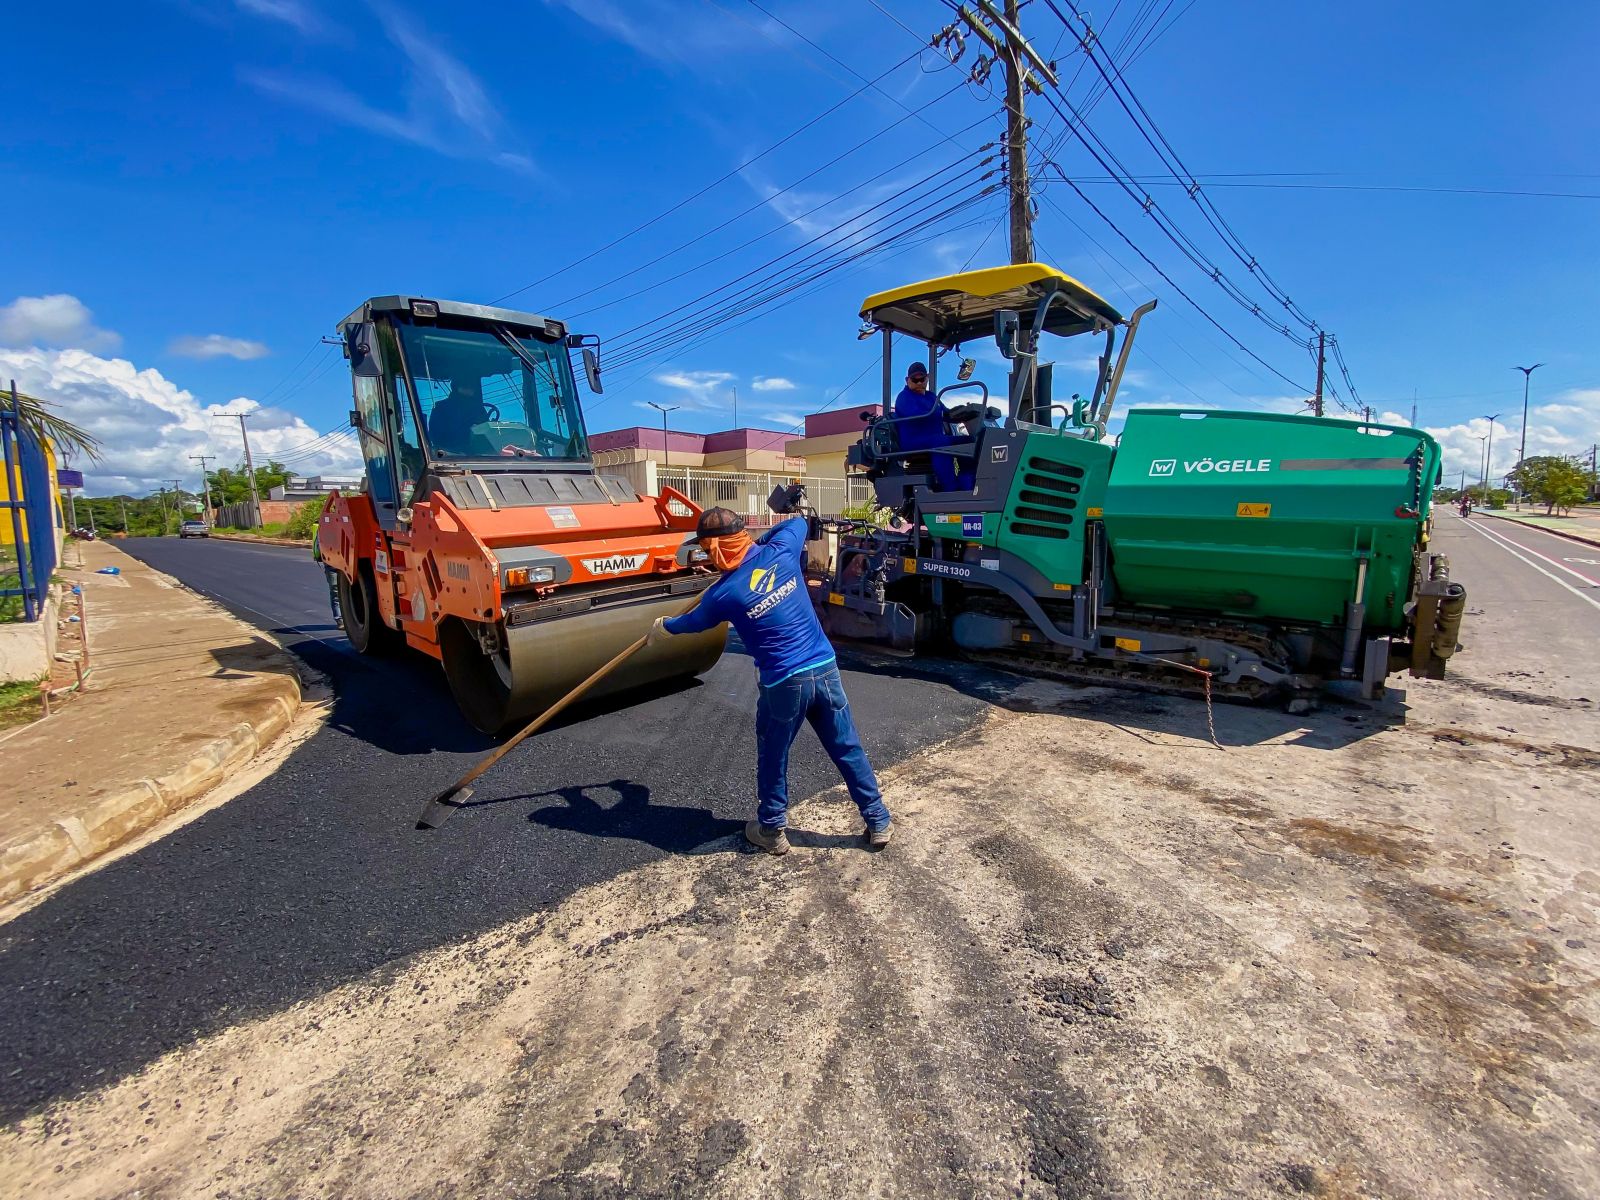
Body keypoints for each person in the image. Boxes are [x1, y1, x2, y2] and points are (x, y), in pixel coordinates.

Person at [648, 506, 892, 855]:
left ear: (715, 548)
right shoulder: (782, 551)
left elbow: (692, 623)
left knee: (774, 755)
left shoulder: (724, 594)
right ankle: (878, 819)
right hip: (824, 669)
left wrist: (663, 627)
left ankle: (772, 829)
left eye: (707, 550)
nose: (706, 557)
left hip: (784, 684)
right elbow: (796, 522)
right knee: (846, 746)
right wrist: (759, 543)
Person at [891, 361, 971, 490]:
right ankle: (950, 489)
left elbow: (946, 413)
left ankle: (968, 481)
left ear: (927, 378)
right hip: (913, 441)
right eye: (914, 380)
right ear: (907, 380)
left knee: (968, 442)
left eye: (921, 379)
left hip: (933, 438)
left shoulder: (931, 396)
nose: (919, 383)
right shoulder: (904, 397)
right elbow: (917, 415)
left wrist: (963, 413)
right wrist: (939, 413)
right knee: (941, 442)